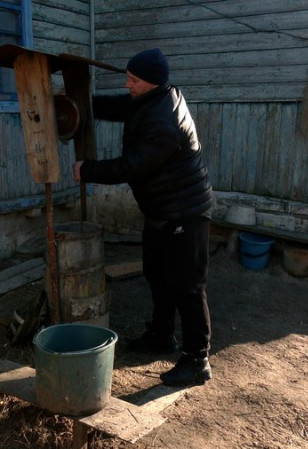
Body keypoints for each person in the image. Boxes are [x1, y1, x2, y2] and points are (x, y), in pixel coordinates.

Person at [72, 48, 215, 386]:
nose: (128, 84)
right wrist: (81, 104)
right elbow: (123, 106)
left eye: (133, 80)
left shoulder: (164, 122)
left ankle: (198, 360)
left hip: (186, 212)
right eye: (128, 77)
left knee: (188, 287)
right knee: (158, 275)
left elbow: (133, 164)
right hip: (162, 211)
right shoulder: (155, 97)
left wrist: (87, 170)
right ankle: (162, 335)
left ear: (151, 83)